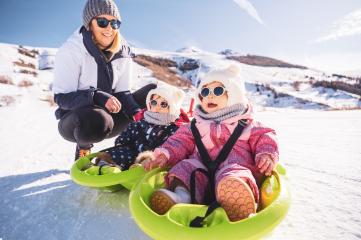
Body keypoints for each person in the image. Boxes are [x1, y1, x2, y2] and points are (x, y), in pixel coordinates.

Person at [138, 65, 279, 222]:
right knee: (186, 167)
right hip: (201, 170)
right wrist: (165, 154)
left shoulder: (246, 124)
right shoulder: (195, 125)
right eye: (205, 92)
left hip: (232, 170)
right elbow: (179, 141)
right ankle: (181, 197)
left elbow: (265, 136)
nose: (210, 96)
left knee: (235, 173)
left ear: (233, 94)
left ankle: (235, 201)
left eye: (217, 91)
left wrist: (266, 153)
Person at [52, 0, 156, 160]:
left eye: (115, 23)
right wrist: (96, 96)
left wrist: (137, 113)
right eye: (102, 22)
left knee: (153, 94)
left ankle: (149, 149)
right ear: (89, 24)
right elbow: (62, 98)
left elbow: (123, 92)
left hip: (112, 117)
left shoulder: (123, 52)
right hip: (77, 122)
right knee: (98, 119)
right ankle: (83, 151)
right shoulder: (71, 51)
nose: (109, 28)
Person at [94, 84, 186, 171]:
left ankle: (137, 172)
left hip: (152, 158)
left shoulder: (173, 128)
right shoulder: (142, 121)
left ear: (172, 108)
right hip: (132, 153)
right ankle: (106, 166)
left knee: (150, 159)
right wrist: (121, 144)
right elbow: (127, 135)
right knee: (118, 152)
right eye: (154, 102)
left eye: (163, 104)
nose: (157, 107)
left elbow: (172, 148)